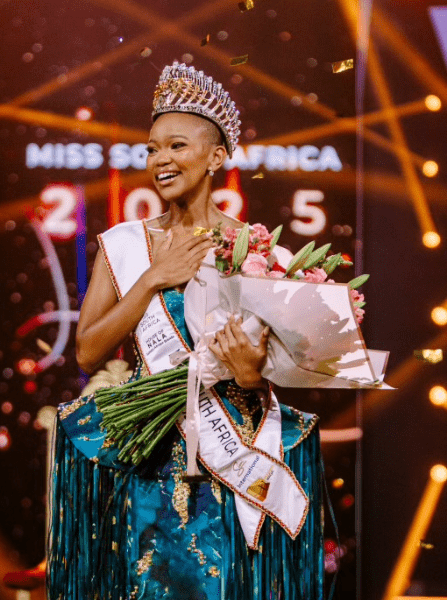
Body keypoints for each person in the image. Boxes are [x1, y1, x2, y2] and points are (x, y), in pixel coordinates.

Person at [47, 62, 324, 600]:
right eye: (152, 149)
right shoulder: (124, 244)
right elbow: (87, 351)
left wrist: (249, 372)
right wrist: (154, 278)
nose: (160, 161)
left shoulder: (260, 252)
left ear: (216, 157)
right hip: (149, 458)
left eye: (176, 146)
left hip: (233, 457)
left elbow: (281, 367)